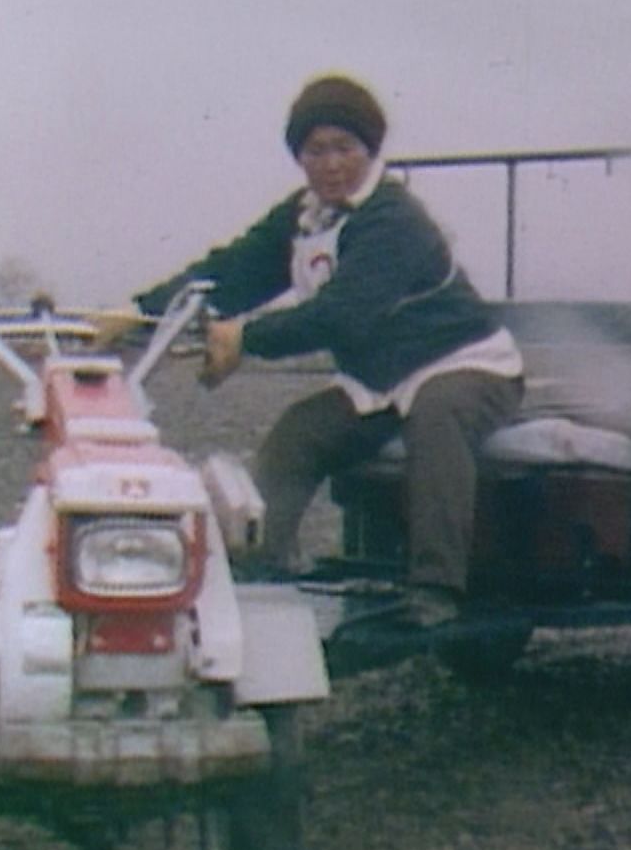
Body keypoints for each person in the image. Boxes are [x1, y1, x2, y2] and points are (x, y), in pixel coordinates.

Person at [134, 74, 523, 628]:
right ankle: (257, 572)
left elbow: (344, 313)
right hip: (377, 382)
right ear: (299, 157)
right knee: (299, 434)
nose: (332, 164)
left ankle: (437, 587)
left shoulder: (395, 220)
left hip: (463, 363)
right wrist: (143, 313)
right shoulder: (303, 216)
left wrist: (246, 338)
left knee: (438, 417)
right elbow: (231, 271)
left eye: (346, 148)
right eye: (316, 150)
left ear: (370, 151)